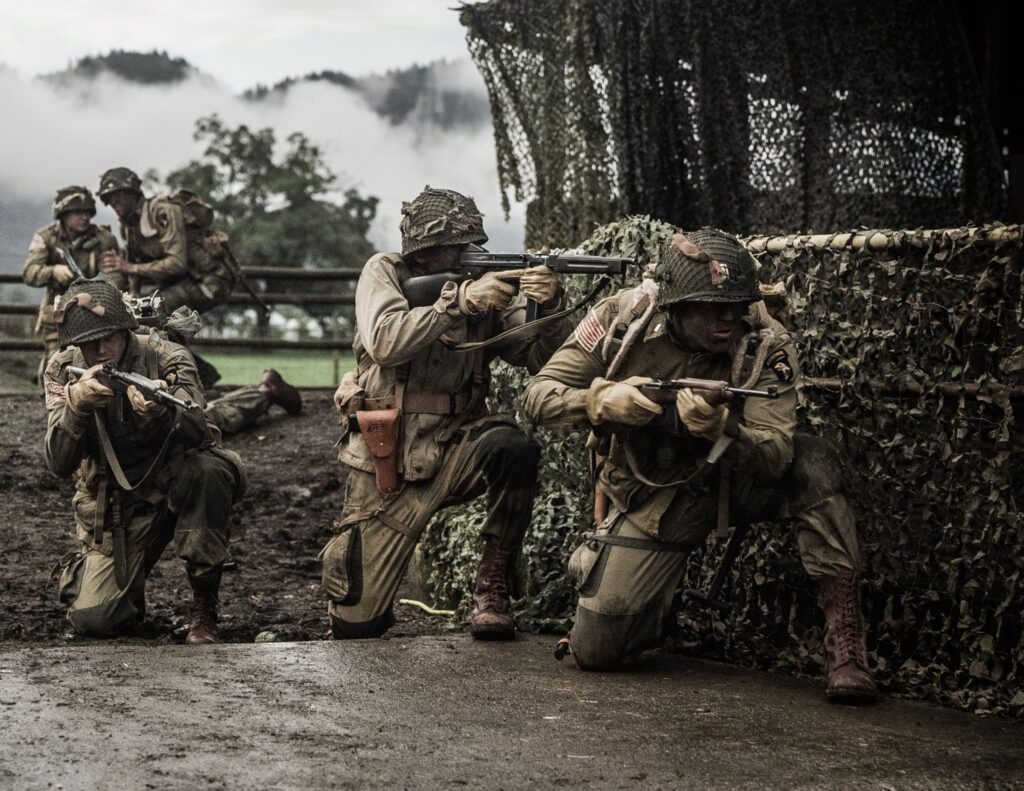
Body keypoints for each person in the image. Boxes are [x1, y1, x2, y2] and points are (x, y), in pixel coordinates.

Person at [523, 228, 876, 703]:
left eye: (736, 305)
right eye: (712, 307)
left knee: (813, 462)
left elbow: (774, 455)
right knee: (597, 650)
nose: (729, 317)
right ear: (674, 305)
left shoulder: (767, 342)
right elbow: (537, 395)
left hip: (739, 482)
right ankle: (655, 604)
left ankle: (846, 644)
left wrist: (722, 432)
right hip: (657, 497)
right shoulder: (620, 319)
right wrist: (600, 400)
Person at [321, 186, 571, 639]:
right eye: (455, 248)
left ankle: (492, 589)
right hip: (388, 455)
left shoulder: (485, 283)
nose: (467, 255)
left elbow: (542, 360)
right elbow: (385, 342)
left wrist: (549, 305)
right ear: (424, 251)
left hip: (457, 445)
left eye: (470, 245)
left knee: (514, 448)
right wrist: (458, 303)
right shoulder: (385, 272)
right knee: (357, 625)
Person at [43, 279, 246, 643]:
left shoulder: (167, 356)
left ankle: (204, 608)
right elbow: (57, 462)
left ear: (126, 330)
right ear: (76, 345)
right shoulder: (61, 370)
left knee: (210, 470)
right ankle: (124, 595)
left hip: (175, 484)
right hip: (116, 506)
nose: (103, 349)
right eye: (90, 343)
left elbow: (203, 434)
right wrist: (76, 406)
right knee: (96, 620)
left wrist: (164, 411)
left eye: (111, 338)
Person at [21, 186, 121, 384]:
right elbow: (29, 273)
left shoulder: (104, 239)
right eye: (77, 212)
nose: (84, 217)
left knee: (97, 365)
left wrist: (101, 284)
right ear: (63, 214)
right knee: (56, 367)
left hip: (95, 311)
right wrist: (52, 271)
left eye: (87, 212)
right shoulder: (46, 237)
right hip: (57, 313)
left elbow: (116, 278)